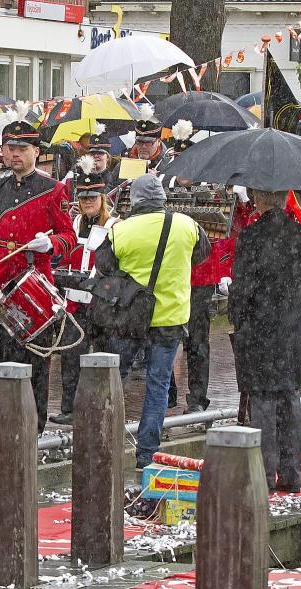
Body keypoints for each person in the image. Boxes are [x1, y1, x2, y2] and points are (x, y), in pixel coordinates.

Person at [94, 174, 210, 468]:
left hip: (131, 317)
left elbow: (104, 266)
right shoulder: (187, 225)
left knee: (115, 379)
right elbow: (201, 255)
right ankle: (147, 454)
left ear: (134, 200)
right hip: (170, 318)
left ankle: (104, 444)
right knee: (158, 385)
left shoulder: (121, 230)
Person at [0, 116, 77, 433]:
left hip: (34, 286)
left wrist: (51, 243)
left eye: (22, 148)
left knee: (33, 358)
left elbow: (68, 237)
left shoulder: (54, 190)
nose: (14, 154)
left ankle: (33, 424)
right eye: (9, 148)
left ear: (36, 152)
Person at [228, 189, 301, 492]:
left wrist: (239, 317)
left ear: (259, 200)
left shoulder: (251, 236)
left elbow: (242, 288)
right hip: (291, 330)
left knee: (263, 401)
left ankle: (264, 474)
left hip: (259, 330)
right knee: (290, 398)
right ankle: (291, 474)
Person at [50, 156, 117, 425]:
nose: (87, 202)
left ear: (102, 198)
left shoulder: (115, 226)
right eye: (83, 198)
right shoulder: (72, 223)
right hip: (74, 302)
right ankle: (70, 409)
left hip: (100, 302)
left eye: (92, 197)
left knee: (102, 357)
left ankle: (103, 407)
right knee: (70, 356)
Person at [126, 104, 167, 171]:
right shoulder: (126, 160)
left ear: (158, 141)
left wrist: (156, 177)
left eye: (148, 142)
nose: (143, 146)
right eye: (139, 142)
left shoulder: (168, 165)